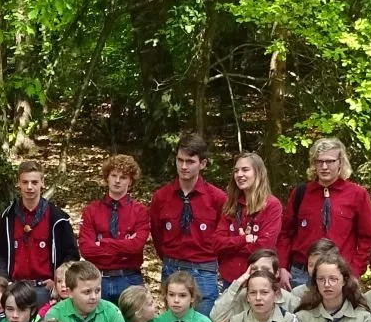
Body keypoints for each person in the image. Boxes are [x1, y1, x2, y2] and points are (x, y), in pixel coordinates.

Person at [281, 137, 371, 280]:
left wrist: (355, 271)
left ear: (341, 162)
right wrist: (283, 267)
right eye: (319, 161)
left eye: (330, 161)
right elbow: (285, 234)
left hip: (340, 273)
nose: (324, 167)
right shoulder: (301, 193)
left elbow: (368, 239)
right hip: (301, 273)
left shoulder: (357, 194)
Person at [152, 132, 228, 312]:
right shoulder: (161, 196)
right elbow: (157, 234)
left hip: (204, 270)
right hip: (172, 267)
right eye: (180, 160)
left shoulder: (217, 198)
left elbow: (222, 237)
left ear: (202, 164)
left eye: (190, 161)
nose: (183, 166)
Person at [0, 161, 79, 300]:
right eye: (25, 182)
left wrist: (57, 280)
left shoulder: (57, 218)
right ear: (18, 184)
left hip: (46, 289)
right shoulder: (8, 216)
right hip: (15, 288)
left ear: (42, 182)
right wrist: (3, 279)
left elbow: (71, 254)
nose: (29, 187)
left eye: (34, 182)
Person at [80, 154, 151, 302]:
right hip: (98, 279)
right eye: (114, 175)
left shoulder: (140, 211)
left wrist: (102, 243)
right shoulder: (91, 211)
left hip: (129, 278)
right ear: (107, 177)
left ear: (131, 181)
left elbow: (136, 247)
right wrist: (123, 245)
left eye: (123, 177)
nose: (117, 181)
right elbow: (86, 249)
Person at [219, 153, 285, 287]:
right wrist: (243, 240)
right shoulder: (231, 205)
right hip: (230, 279)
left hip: (259, 279)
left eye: (245, 170)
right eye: (236, 171)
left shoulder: (272, 205)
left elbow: (264, 247)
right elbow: (217, 243)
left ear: (258, 173)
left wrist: (232, 246)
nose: (239, 174)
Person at [210, 248, 283, 322]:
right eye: (254, 269)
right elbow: (217, 317)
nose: (259, 272)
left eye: (265, 269)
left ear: (276, 273)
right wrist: (238, 284)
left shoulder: (290, 300)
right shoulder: (241, 296)